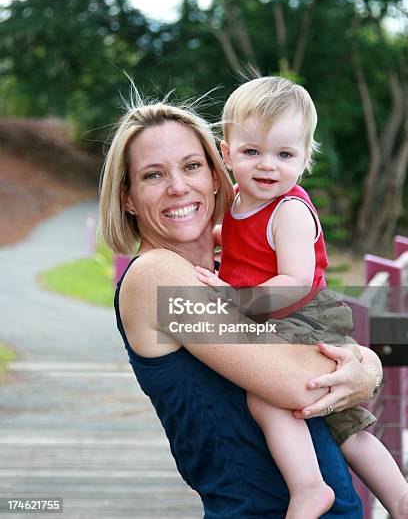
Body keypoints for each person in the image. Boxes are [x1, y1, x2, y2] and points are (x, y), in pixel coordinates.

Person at [99, 89, 384, 518]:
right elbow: (296, 383)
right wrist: (364, 369)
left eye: (192, 166)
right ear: (126, 197)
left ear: (216, 175)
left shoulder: (233, 277)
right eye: (153, 176)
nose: (178, 187)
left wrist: (369, 369)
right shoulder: (155, 276)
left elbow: (311, 347)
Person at [196, 76, 408, 518]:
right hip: (274, 315)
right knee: (343, 426)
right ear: (225, 151)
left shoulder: (289, 210)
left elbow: (294, 279)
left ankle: (313, 487)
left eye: (284, 154)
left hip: (301, 316)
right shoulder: (239, 200)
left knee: (272, 397)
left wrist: (236, 296)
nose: (267, 165)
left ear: (305, 157)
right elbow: (240, 241)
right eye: (252, 151)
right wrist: (209, 239)